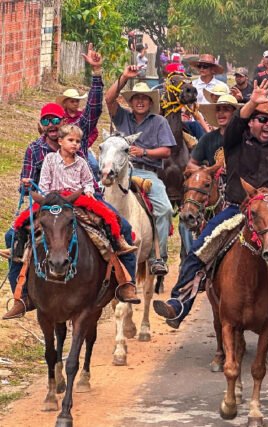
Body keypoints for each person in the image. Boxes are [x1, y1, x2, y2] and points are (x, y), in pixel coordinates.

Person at [153, 82, 268, 332]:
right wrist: (252, 102)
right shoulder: (235, 142)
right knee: (200, 249)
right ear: (251, 122)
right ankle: (179, 303)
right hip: (236, 210)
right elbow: (234, 125)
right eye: (262, 119)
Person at [3, 45, 104, 319]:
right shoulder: (35, 150)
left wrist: (96, 73)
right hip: (47, 204)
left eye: (55, 120)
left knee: (118, 228)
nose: (51, 124)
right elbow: (27, 182)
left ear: (63, 125)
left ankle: (120, 282)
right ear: (41, 124)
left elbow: (93, 111)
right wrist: (26, 185)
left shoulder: (76, 143)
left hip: (81, 200)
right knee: (12, 237)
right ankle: (21, 297)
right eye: (46, 120)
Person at [37, 124, 139, 297]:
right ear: (60, 141)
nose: (75, 144)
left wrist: (90, 191)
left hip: (79, 199)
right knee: (21, 225)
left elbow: (88, 182)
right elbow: (44, 183)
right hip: (53, 200)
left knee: (117, 222)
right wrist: (48, 198)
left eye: (78, 141)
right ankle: (21, 284)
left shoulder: (81, 162)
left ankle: (127, 281)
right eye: (71, 140)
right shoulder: (50, 159)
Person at [105, 65, 175, 276]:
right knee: (96, 202)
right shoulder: (122, 117)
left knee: (165, 210)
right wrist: (124, 77)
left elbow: (166, 151)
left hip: (146, 173)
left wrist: (144, 152)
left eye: (144, 98)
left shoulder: (159, 121)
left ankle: (158, 257)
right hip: (119, 173)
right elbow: (109, 99)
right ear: (130, 101)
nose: (140, 101)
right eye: (136, 98)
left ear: (151, 102)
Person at [192, 95, 238, 168]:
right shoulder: (207, 139)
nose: (220, 113)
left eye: (226, 109)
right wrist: (209, 171)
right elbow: (191, 164)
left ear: (235, 113)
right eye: (218, 110)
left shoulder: (244, 136)